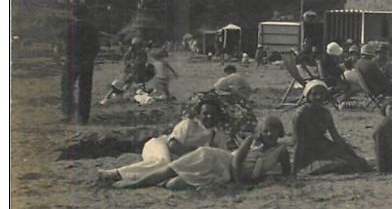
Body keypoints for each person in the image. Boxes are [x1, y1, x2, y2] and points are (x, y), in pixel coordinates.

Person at [110, 116, 291, 190]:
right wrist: (239, 184)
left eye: (273, 130)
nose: (269, 134)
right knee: (170, 169)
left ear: (280, 131)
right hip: (217, 159)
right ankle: (132, 184)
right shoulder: (251, 141)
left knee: (174, 185)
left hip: (226, 175)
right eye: (266, 131)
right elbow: (236, 161)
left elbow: (287, 172)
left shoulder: (280, 151)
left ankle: (146, 183)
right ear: (260, 132)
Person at [97, 99, 229, 186]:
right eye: (206, 113)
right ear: (199, 115)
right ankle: (114, 173)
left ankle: (126, 179)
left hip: (178, 158)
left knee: (168, 171)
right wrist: (198, 155)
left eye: (213, 113)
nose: (209, 116)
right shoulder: (188, 124)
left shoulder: (218, 135)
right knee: (163, 162)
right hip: (160, 145)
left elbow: (220, 157)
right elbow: (173, 145)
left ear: (219, 116)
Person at [292, 80, 371, 175]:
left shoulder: (325, 113)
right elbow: (299, 144)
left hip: (323, 148)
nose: (318, 97)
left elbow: (335, 136)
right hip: (308, 153)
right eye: (314, 94)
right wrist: (294, 171)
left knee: (359, 163)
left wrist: (353, 156)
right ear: (308, 96)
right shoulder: (301, 114)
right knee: (342, 164)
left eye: (321, 94)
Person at [59, 2, 101, 124]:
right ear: (86, 14)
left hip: (72, 61)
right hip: (87, 62)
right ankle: (84, 117)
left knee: (67, 87)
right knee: (85, 90)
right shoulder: (93, 29)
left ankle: (68, 114)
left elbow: (65, 46)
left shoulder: (70, 28)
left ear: (74, 14)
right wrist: (90, 58)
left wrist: (66, 57)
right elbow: (96, 47)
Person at [101, 37, 149, 103]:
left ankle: (144, 96)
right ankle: (109, 97)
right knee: (121, 84)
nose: (137, 46)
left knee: (140, 84)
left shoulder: (142, 52)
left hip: (138, 70)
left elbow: (144, 60)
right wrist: (130, 64)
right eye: (135, 45)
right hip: (129, 70)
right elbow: (126, 60)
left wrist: (141, 66)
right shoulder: (130, 51)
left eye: (138, 45)